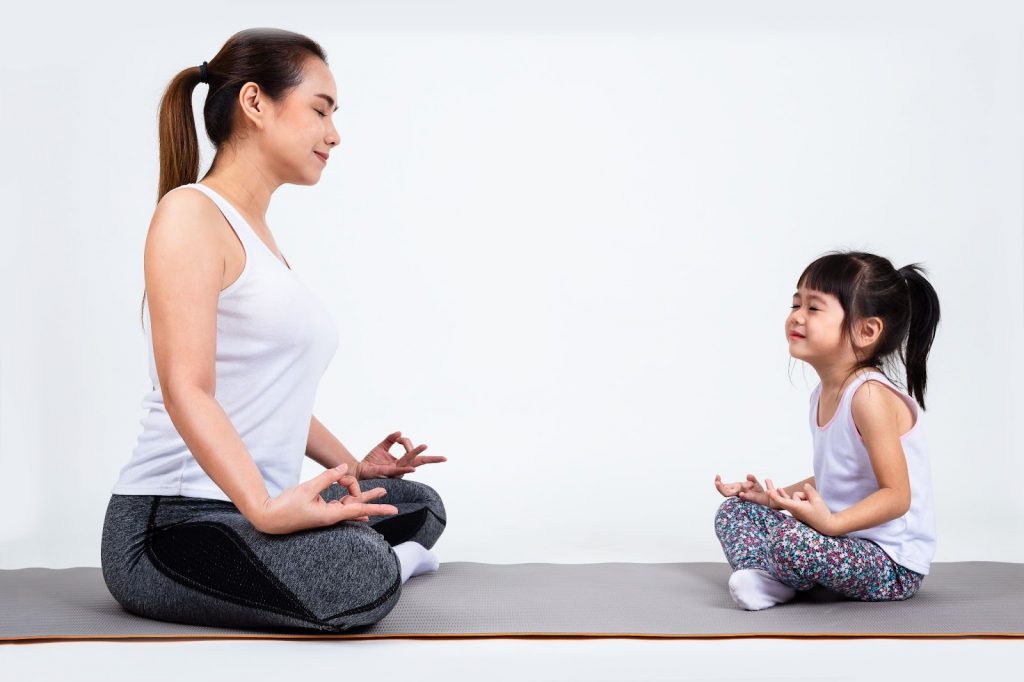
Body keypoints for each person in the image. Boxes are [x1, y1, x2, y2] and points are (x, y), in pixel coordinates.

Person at [101, 28, 447, 633]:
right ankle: (380, 568)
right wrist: (262, 509)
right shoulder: (189, 214)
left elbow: (262, 390)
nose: (333, 134)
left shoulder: (257, 236)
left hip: (249, 512)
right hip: (172, 525)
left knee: (418, 507)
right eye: (320, 110)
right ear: (256, 103)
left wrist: (351, 471)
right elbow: (188, 389)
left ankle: (376, 561)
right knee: (359, 572)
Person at [713, 250, 939, 610]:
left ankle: (774, 577)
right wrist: (773, 499)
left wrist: (831, 525)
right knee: (734, 513)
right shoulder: (823, 393)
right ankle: (773, 577)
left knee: (790, 540)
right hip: (842, 541)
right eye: (795, 304)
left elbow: (897, 496)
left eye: (814, 308)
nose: (797, 317)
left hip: (889, 563)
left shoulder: (869, 397)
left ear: (866, 330)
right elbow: (837, 478)